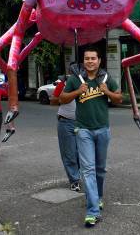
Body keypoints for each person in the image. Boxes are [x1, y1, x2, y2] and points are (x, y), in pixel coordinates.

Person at [59, 47, 122, 228]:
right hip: (83, 130)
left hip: (102, 129)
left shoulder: (106, 78)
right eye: (87, 59)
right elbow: (62, 99)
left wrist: (107, 92)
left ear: (99, 60)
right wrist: (77, 92)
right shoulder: (75, 79)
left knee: (100, 169)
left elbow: (119, 99)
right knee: (88, 170)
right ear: (83, 62)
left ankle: (98, 198)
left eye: (93, 58)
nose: (90, 61)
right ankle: (92, 211)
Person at [53, 64, 81, 192]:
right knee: (69, 154)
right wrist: (66, 92)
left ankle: (79, 174)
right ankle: (74, 180)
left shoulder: (85, 83)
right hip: (65, 122)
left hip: (82, 123)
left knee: (82, 153)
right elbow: (54, 100)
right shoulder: (63, 83)